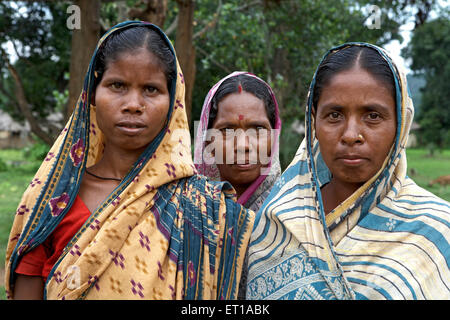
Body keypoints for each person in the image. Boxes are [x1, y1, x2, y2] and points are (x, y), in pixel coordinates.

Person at [5, 21, 254, 300]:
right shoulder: (51, 199)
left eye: (151, 89)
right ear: (93, 95)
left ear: (173, 102)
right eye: (117, 85)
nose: (134, 104)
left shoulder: (203, 207)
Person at [246, 42, 450, 300]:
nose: (351, 135)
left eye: (373, 116)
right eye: (334, 115)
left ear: (400, 125)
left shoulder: (436, 231)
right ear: (313, 123)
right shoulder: (279, 220)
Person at [193, 72, 282, 298]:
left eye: (258, 130)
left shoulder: (291, 216)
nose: (242, 145)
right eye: (226, 131)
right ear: (207, 139)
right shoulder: (185, 214)